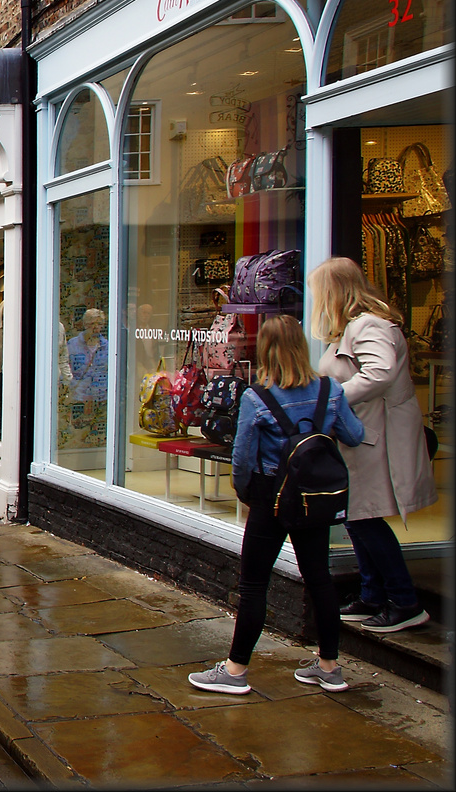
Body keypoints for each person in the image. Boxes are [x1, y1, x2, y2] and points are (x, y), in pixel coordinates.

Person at [188, 315, 365, 695]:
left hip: (271, 494)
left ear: (265, 351)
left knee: (254, 583)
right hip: (314, 496)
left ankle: (235, 672)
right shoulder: (330, 390)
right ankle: (329, 666)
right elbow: (355, 434)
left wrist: (246, 494)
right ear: (301, 347)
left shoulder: (257, 398)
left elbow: (242, 458)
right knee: (319, 577)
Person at [311, 257, 438, 634]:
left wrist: (329, 401)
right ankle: (372, 594)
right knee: (357, 516)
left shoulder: (370, 326)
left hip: (374, 437)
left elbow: (378, 373)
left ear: (334, 292)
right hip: (361, 435)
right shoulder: (352, 329)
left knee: (365, 518)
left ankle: (404, 601)